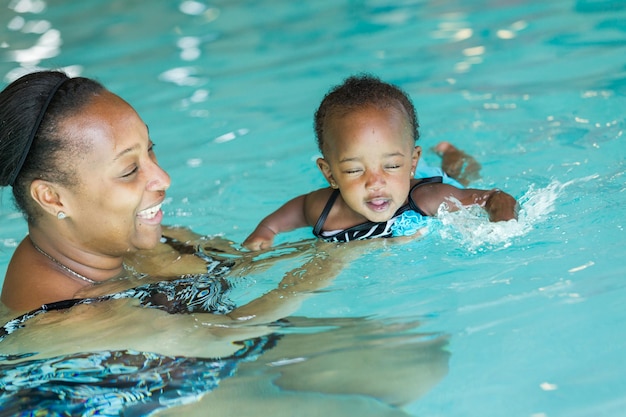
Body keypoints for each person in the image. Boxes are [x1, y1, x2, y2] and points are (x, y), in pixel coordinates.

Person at [0, 70, 449, 415]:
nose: (162, 178)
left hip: (207, 359)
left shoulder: (125, 238)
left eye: (150, 152)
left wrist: (354, 233)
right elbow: (220, 336)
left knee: (419, 362)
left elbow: (236, 266)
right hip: (148, 400)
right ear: (52, 197)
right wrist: (332, 261)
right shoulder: (60, 319)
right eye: (128, 171)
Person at [243, 74, 518, 250]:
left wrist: (502, 226)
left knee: (459, 174)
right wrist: (266, 231)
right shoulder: (323, 210)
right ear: (330, 174)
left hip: (428, 183)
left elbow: (495, 198)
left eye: (392, 166)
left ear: (411, 163)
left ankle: (451, 152)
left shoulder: (431, 198)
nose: (375, 182)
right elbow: (297, 211)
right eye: (353, 170)